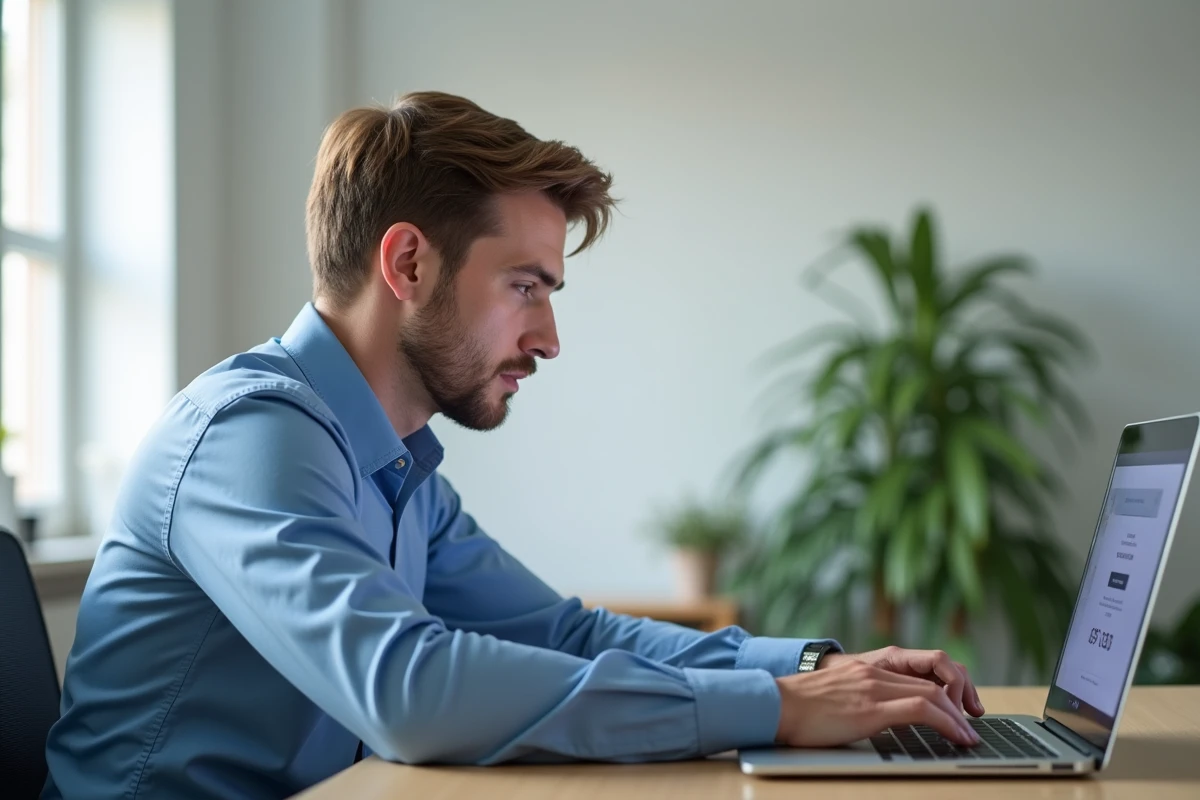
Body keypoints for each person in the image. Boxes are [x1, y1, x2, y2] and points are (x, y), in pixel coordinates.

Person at [42, 92, 983, 800]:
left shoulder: (397, 465)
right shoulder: (251, 438)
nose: (548, 339)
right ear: (407, 263)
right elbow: (409, 692)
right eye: (525, 288)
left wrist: (810, 670)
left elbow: (566, 634)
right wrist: (775, 711)